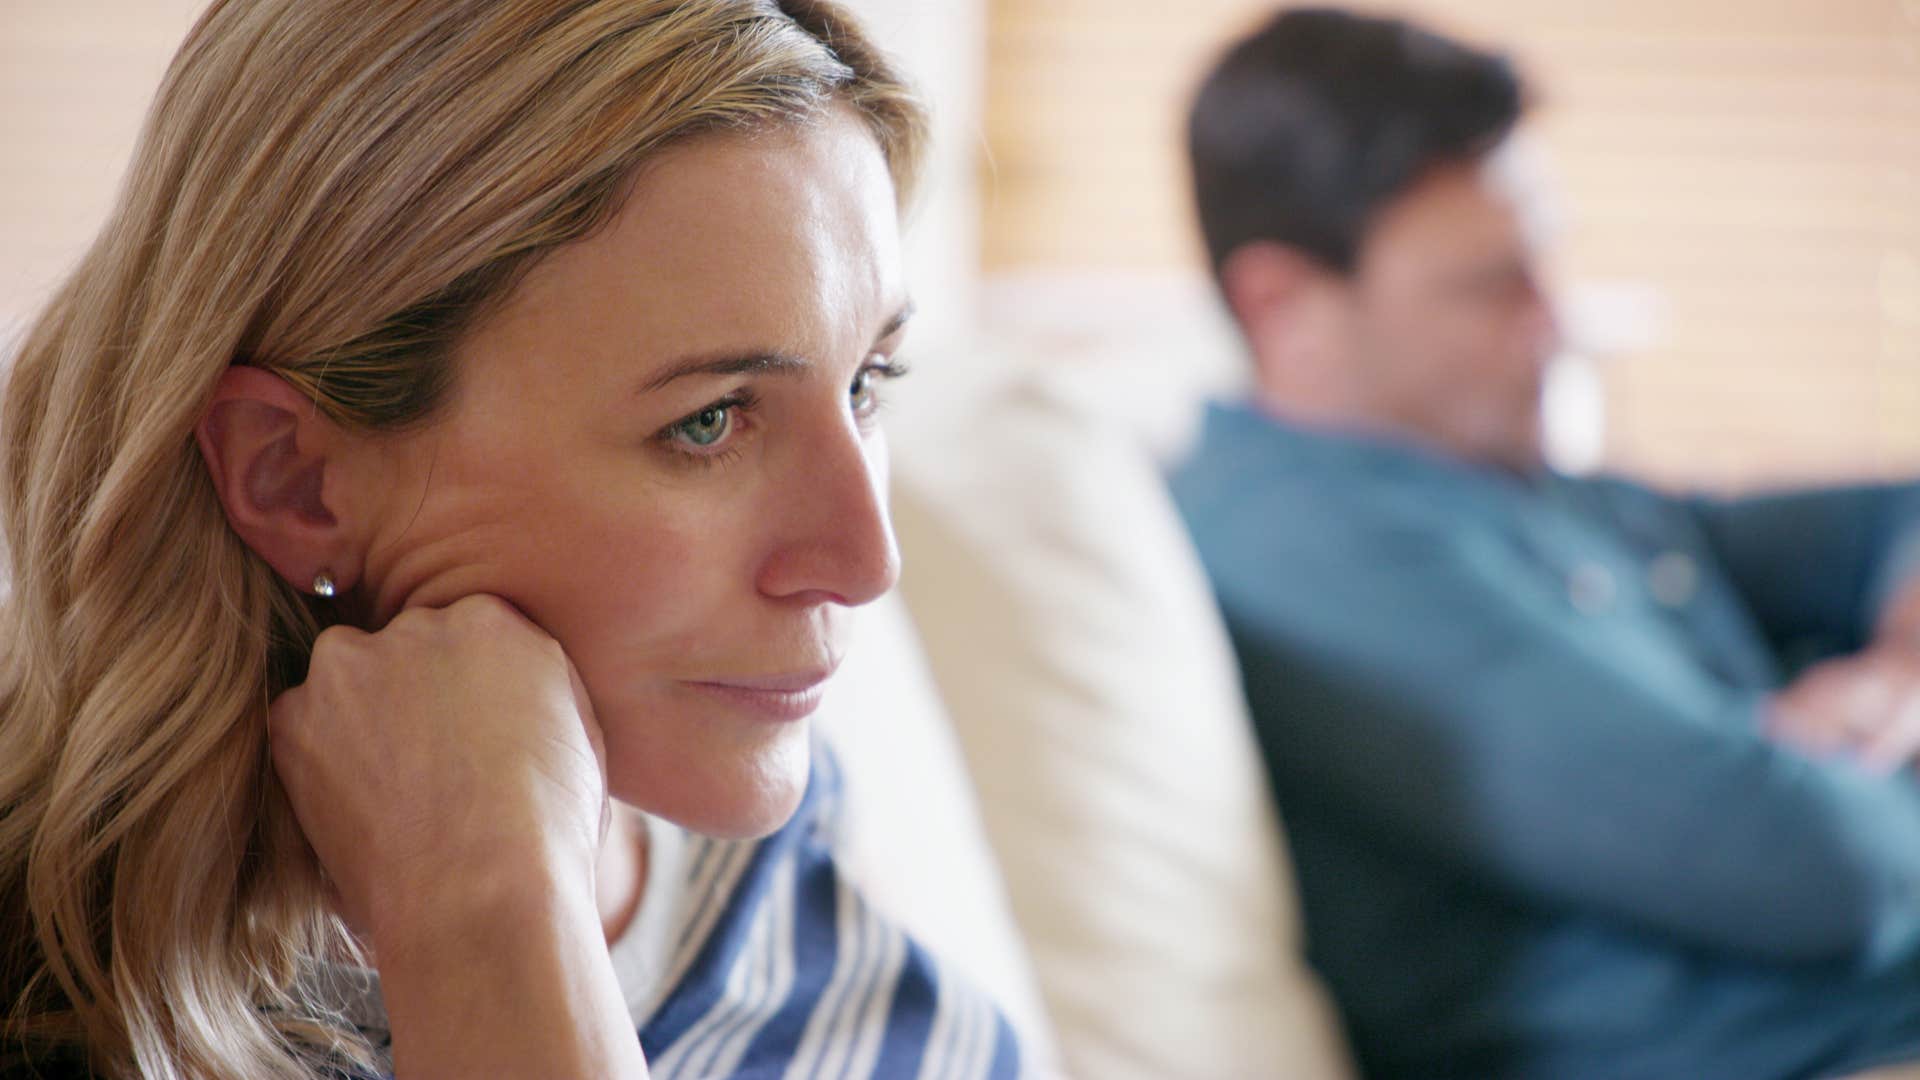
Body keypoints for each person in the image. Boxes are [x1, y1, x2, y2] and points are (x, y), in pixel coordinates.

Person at [0, 1, 1025, 1077]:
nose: (868, 563)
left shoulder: (849, 974)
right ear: (293, 479)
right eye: (708, 421)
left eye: (869, 379)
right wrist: (487, 923)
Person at [1171, 8, 1920, 1080]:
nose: (1556, 324)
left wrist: (1895, 677)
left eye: (1541, 262)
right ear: (1283, 304)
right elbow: (1829, 875)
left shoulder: (1517, 480)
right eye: (1490, 286)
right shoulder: (1309, 546)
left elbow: (1897, 516)